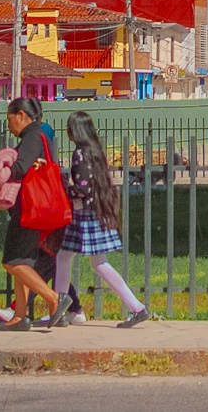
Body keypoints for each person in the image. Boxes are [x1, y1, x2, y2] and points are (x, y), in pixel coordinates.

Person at [52, 112, 151, 327]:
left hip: (84, 214)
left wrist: (64, 186)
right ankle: (136, 307)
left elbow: (83, 189)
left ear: (75, 131)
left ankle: (59, 307)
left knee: (71, 259)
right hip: (97, 211)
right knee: (90, 261)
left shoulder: (80, 153)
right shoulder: (95, 150)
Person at [0, 97, 66, 330]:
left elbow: (21, 167)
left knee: (12, 263)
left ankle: (54, 299)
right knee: (22, 263)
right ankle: (20, 317)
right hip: (33, 210)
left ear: (21, 115)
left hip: (28, 209)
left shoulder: (32, 135)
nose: (9, 125)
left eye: (10, 119)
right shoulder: (40, 135)